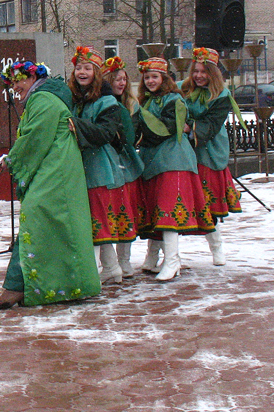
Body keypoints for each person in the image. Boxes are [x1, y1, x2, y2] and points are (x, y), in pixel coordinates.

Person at [0, 60, 100, 309]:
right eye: (12, 81)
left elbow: (35, 138)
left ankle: (25, 286)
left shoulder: (43, 100)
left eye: (19, 79)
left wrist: (14, 159)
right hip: (55, 168)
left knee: (38, 217)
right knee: (56, 226)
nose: (15, 85)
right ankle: (38, 285)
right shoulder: (42, 98)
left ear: (33, 77)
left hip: (55, 171)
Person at [133, 58, 215, 281]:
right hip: (154, 162)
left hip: (173, 160)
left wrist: (139, 122)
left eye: (155, 76)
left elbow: (166, 130)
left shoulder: (174, 100)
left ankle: (172, 260)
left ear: (164, 78)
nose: (150, 81)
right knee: (156, 208)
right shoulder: (148, 101)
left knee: (168, 210)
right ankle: (153, 256)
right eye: (147, 77)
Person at [67, 46, 136, 285]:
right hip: (86, 167)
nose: (82, 72)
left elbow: (106, 133)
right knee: (96, 220)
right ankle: (111, 267)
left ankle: (91, 273)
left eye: (88, 68)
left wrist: (77, 125)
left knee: (97, 221)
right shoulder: (77, 100)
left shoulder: (107, 101)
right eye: (78, 67)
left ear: (97, 73)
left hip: (100, 168)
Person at [179, 47, 243, 266]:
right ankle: (167, 254)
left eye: (204, 72)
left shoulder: (222, 97)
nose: (198, 75)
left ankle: (216, 247)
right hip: (184, 152)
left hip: (208, 152)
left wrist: (191, 128)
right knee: (179, 203)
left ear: (213, 74)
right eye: (195, 71)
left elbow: (211, 125)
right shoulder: (183, 89)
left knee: (207, 204)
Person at [101, 56, 146, 278]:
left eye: (124, 79)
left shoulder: (130, 105)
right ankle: (111, 265)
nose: (121, 83)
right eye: (116, 79)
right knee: (110, 212)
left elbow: (131, 136)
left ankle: (124, 260)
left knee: (125, 210)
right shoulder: (103, 102)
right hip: (106, 162)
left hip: (125, 163)